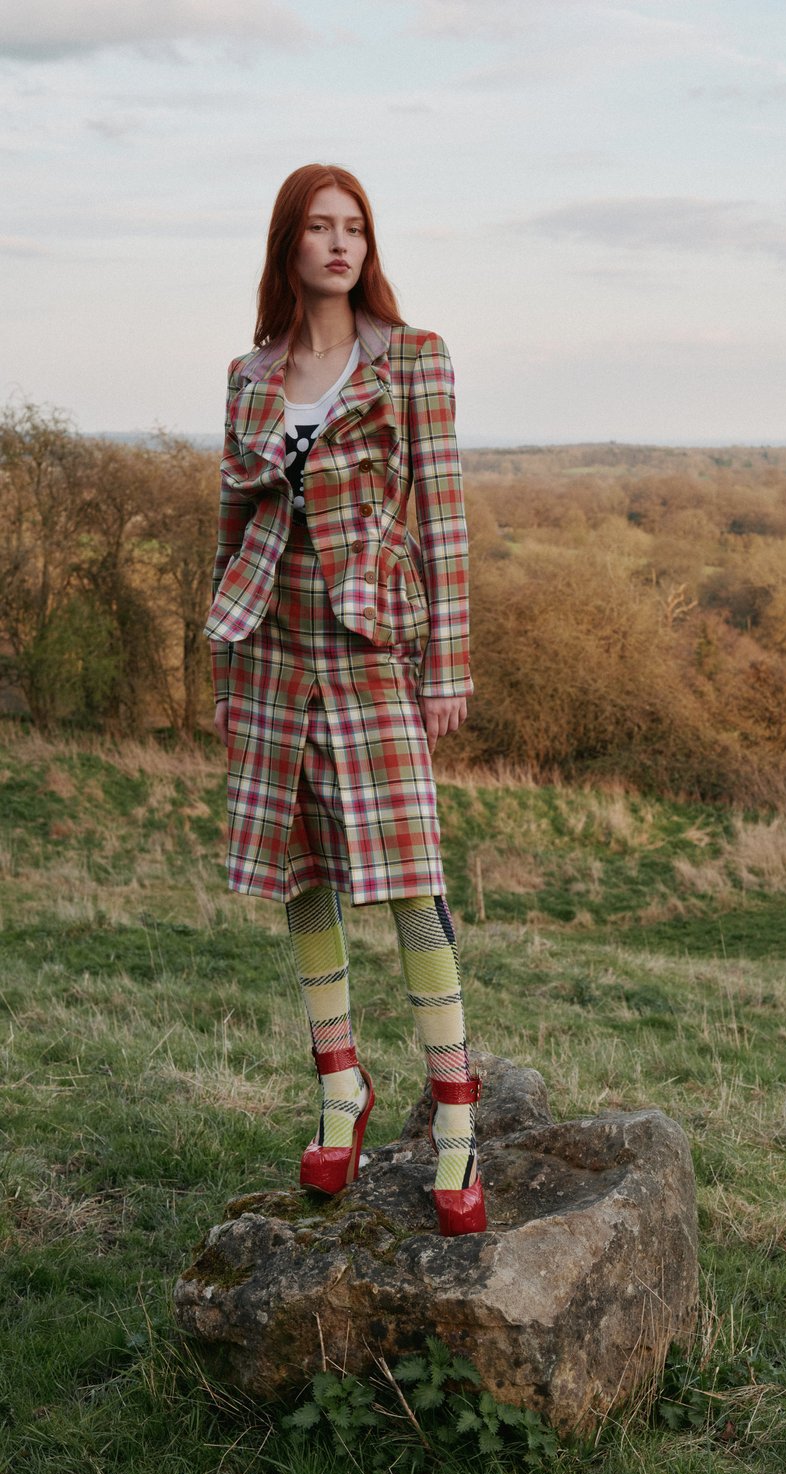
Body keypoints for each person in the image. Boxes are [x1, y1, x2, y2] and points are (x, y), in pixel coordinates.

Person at [203, 163, 484, 1236]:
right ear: (287, 246)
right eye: (318, 228)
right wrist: (227, 678)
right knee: (301, 874)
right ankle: (339, 1091)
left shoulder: (414, 360)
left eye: (354, 228)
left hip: (371, 650)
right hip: (270, 651)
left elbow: (444, 512)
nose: (338, 244)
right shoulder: (247, 376)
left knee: (411, 881)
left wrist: (445, 663)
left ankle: (456, 1122)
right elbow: (229, 531)